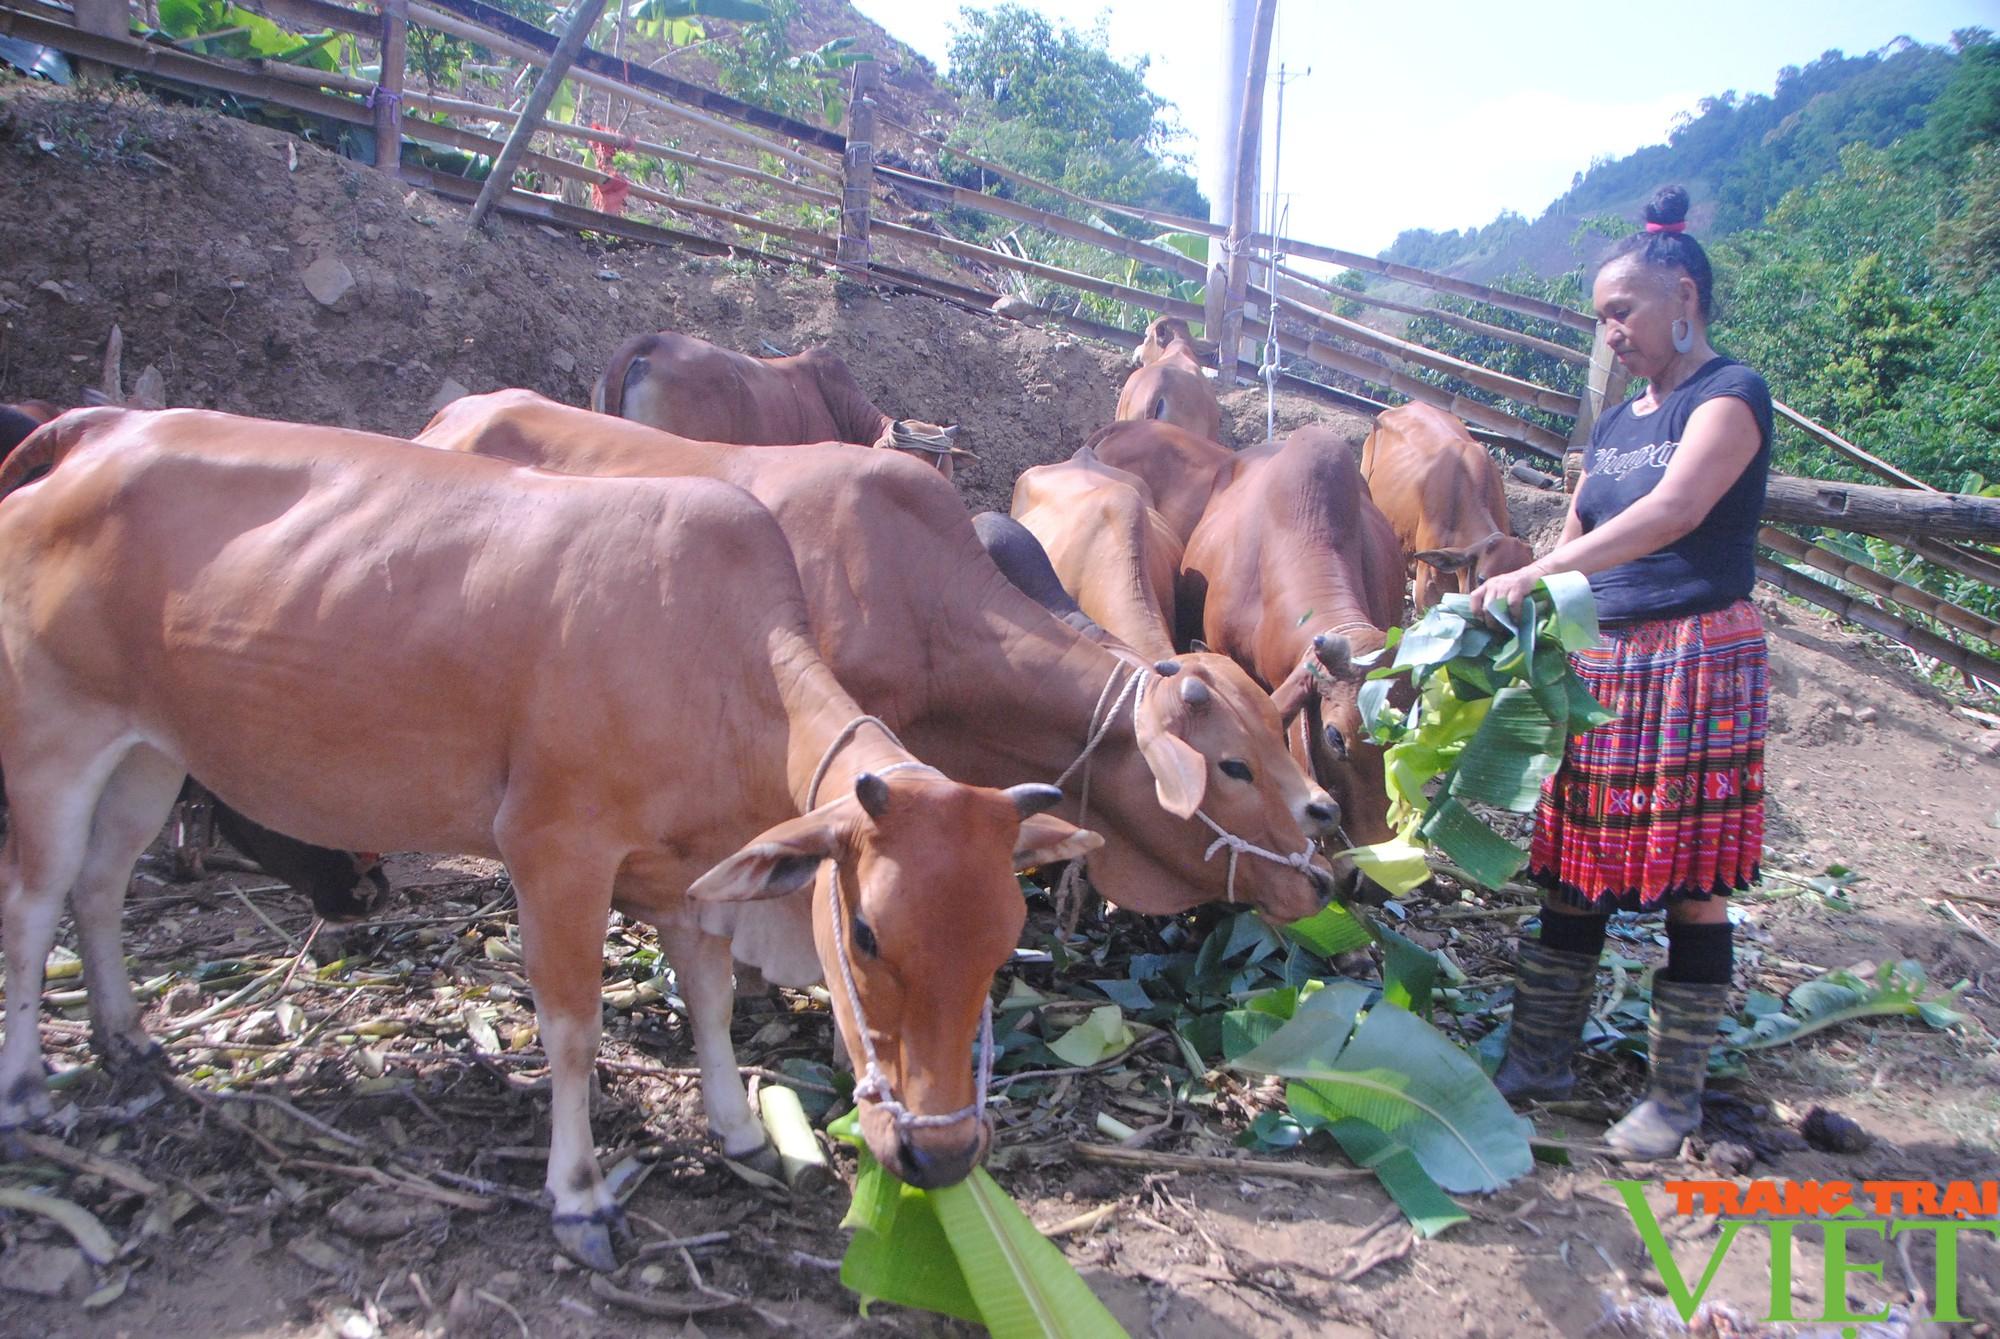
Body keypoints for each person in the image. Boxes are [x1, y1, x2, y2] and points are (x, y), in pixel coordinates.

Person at [1469, 184, 1773, 1159]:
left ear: (1680, 295)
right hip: (1603, 661)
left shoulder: (1727, 395)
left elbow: (1673, 513)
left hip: (1694, 655)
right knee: (1571, 861)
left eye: (1621, 312)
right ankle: (1540, 1060)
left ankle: (1674, 1098)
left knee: (1693, 877)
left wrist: (1543, 571)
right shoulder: (1609, 428)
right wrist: (1523, 601)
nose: (1611, 333)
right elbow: (1581, 531)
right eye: (1600, 317)